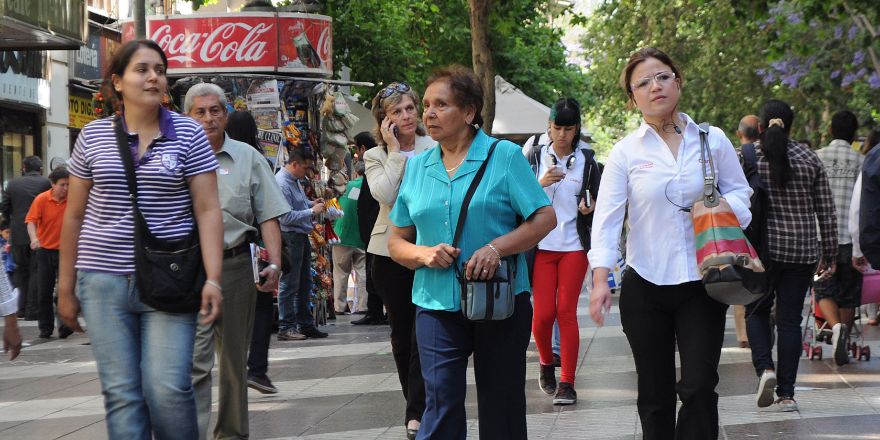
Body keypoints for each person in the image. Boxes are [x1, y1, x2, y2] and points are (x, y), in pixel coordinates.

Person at [57, 39, 224, 440]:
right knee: (123, 395)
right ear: (117, 82)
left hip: (170, 278)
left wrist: (214, 278)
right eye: (142, 69)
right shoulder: (93, 137)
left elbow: (207, 209)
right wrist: (65, 287)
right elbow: (74, 215)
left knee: (167, 389)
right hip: (102, 282)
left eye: (159, 70)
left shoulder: (188, 134)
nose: (153, 77)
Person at [588, 48, 752, 439]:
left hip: (704, 281)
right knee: (654, 393)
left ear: (677, 81)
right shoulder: (627, 152)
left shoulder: (712, 140)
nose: (654, 86)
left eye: (662, 76)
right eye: (642, 83)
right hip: (645, 284)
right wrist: (599, 279)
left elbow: (742, 193)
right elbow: (607, 218)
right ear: (632, 98)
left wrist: (720, 210)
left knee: (698, 386)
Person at [388, 65, 556, 440]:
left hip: (500, 300)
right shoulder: (417, 169)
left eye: (441, 105)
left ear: (468, 112)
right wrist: (423, 254)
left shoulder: (505, 156)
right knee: (440, 403)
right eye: (426, 104)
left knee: (502, 405)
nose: (428, 113)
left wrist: (497, 248)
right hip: (434, 303)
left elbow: (545, 217)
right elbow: (396, 240)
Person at [185, 85, 288, 440]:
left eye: (216, 110)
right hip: (189, 269)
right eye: (200, 111)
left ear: (226, 115)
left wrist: (273, 264)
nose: (209, 118)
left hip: (235, 267)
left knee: (233, 364)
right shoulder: (176, 156)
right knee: (195, 363)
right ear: (188, 116)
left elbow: (269, 216)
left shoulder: (247, 157)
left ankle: (231, 434)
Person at [743, 99, 837, 412]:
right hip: (802, 250)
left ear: (760, 126)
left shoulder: (749, 155)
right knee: (789, 322)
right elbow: (826, 210)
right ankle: (786, 393)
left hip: (760, 251)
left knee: (756, 310)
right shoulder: (809, 157)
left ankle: (764, 369)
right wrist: (831, 253)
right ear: (791, 126)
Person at [363, 81, 435, 437]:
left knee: (425, 331)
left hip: (427, 249)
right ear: (384, 121)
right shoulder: (375, 155)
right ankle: (416, 405)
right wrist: (393, 149)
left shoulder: (433, 146)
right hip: (388, 253)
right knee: (401, 336)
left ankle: (417, 411)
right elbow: (385, 194)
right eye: (396, 112)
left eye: (409, 108)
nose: (406, 116)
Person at [524, 97, 601, 405]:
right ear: (549, 127)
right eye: (558, 128)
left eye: (569, 129)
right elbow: (516, 200)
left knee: (566, 312)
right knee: (542, 316)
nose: (563, 135)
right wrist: (539, 183)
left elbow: (599, 206)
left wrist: (589, 209)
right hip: (541, 246)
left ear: (577, 129)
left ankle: (567, 382)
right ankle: (546, 363)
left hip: (573, 247)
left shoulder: (588, 160)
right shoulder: (533, 156)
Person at [815, 110, 864, 366]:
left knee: (823, 289)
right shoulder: (861, 160)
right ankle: (842, 334)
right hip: (852, 237)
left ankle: (835, 330)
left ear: (831, 131)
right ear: (854, 133)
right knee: (849, 291)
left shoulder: (817, 157)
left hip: (822, 237)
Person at [275, 148, 328, 340]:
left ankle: (304, 324)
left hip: (300, 236)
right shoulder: (281, 183)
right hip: (290, 237)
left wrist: (310, 203)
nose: (307, 173)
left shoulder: (295, 180)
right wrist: (312, 211)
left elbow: (299, 203)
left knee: (304, 283)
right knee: (289, 283)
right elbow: (286, 216)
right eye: (305, 168)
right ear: (295, 164)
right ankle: (286, 326)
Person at [0, 155, 50, 319]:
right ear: (40, 168)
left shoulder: (13, 184)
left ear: (23, 167)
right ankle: (32, 309)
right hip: (39, 234)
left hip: (18, 235)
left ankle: (20, 308)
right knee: (36, 271)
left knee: (20, 271)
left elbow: (4, 207)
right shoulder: (45, 183)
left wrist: (10, 223)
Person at [25, 166, 70, 339]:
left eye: (68, 185)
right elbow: (31, 221)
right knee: (44, 290)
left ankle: (65, 325)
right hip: (45, 250)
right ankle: (45, 327)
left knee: (64, 290)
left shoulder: (72, 199)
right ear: (53, 184)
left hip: (66, 251)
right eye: (62, 185)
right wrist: (34, 239)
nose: (66, 189)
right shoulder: (41, 199)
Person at [733, 114, 762, 349]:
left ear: (738, 133)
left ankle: (743, 334)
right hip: (767, 230)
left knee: (740, 279)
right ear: (759, 131)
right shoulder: (771, 154)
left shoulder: (734, 155)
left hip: (740, 231)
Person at [353, 132, 387, 325]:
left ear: (363, 149)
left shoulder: (375, 165)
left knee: (375, 271)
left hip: (376, 231)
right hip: (371, 232)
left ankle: (377, 311)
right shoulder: (372, 167)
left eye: (356, 150)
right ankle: (375, 311)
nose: (356, 155)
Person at [331, 161, 367, 314]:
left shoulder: (347, 187)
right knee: (363, 272)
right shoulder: (371, 187)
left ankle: (339, 307)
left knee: (340, 273)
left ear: (356, 173)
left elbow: (333, 206)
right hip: (362, 237)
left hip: (342, 236)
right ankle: (363, 307)